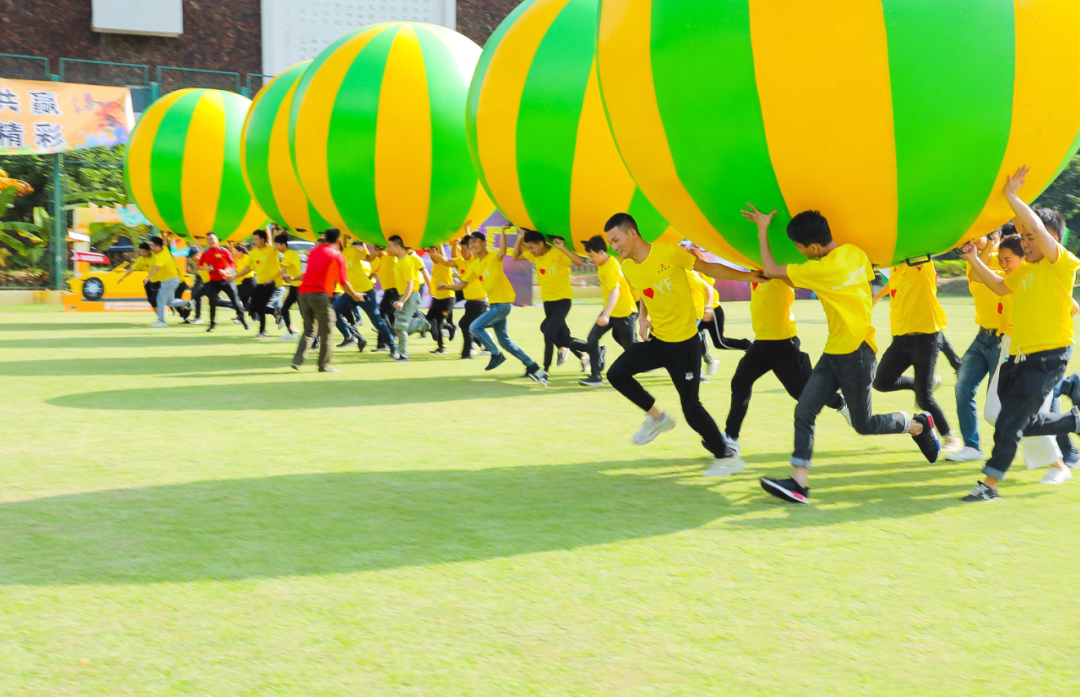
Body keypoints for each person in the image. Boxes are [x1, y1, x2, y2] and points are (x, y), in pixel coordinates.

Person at [747, 204, 940, 504]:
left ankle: (917, 425)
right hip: (834, 350)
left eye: (799, 248)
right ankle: (800, 484)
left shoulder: (820, 270)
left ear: (813, 247)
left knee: (864, 425)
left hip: (858, 353)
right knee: (804, 411)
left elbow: (771, 271)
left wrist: (762, 228)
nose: (798, 252)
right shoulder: (856, 254)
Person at [603, 213, 764, 476]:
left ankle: (726, 457)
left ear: (632, 233)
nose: (614, 246)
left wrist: (750, 277)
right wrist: (643, 319)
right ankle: (658, 418)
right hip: (659, 342)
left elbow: (709, 269)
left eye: (616, 239)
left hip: (685, 345)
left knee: (691, 408)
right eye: (610, 242)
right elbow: (646, 292)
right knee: (616, 374)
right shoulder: (628, 266)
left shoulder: (670, 253)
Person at [958, 166, 1080, 500]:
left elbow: (1038, 226)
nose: (1026, 243)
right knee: (1013, 421)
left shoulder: (1061, 264)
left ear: (1049, 239)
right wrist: (972, 258)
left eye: (1030, 237)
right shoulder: (1024, 271)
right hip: (1017, 357)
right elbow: (997, 286)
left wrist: (1012, 196)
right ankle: (1074, 420)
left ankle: (988, 485)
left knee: (1009, 425)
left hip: (1048, 357)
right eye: (1022, 238)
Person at [979, 233, 1071, 479]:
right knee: (995, 413)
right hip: (1010, 349)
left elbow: (1072, 307)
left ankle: (1058, 466)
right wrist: (972, 255)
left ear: (1025, 258)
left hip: (1036, 351)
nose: (1003, 264)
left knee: (1018, 417)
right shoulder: (1014, 280)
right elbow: (980, 278)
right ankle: (1070, 404)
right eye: (1001, 259)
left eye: (1008, 259)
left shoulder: (1039, 277)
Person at [724, 276, 848, 455]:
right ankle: (730, 438)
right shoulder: (752, 263)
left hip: (782, 342)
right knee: (740, 382)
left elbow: (803, 280)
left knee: (805, 394)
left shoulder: (781, 268)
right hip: (761, 342)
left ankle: (841, 402)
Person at [871, 258, 961, 452]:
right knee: (881, 382)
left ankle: (950, 436)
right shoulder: (895, 267)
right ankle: (921, 384)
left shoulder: (920, 264)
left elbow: (921, 250)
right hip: (901, 339)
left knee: (924, 397)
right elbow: (893, 284)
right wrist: (877, 297)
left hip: (925, 339)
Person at [438, 230, 547, 384]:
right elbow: (463, 284)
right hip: (494, 304)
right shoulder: (475, 265)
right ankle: (531, 364)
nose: (472, 245)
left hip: (503, 305)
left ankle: (496, 354)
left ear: (484, 243)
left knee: (474, 327)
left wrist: (502, 231)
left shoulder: (494, 256)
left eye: (475, 242)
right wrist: (446, 286)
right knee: (505, 342)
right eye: (470, 244)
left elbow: (502, 251)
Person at [948, 229, 1005, 462]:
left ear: (994, 233)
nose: (966, 241)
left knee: (998, 402)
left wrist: (991, 244)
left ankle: (1004, 452)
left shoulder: (1006, 257)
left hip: (1003, 339)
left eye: (975, 235)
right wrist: (980, 248)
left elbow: (981, 277)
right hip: (982, 336)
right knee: (963, 387)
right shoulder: (974, 257)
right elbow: (973, 273)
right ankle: (972, 447)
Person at [513, 230, 590, 374]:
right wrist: (519, 238)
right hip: (548, 302)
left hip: (562, 300)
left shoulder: (557, 252)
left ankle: (545, 371)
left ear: (541, 244)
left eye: (531, 247)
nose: (530, 251)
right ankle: (585, 355)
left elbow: (579, 262)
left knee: (548, 332)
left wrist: (562, 247)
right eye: (528, 248)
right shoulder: (535, 255)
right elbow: (516, 256)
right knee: (561, 336)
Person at [292, 228, 363, 372]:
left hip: (303, 294)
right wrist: (355, 295)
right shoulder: (337, 255)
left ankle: (297, 361)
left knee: (309, 331)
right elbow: (343, 282)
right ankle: (324, 365)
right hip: (320, 295)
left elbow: (309, 272)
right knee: (327, 332)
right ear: (338, 241)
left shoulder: (314, 251)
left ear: (324, 238)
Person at [579, 235, 637, 387]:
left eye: (591, 256)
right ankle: (596, 376)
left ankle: (664, 362)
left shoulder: (612, 266)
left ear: (601, 252)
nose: (590, 259)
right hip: (611, 313)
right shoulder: (601, 264)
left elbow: (615, 291)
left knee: (632, 350)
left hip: (624, 314)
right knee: (592, 338)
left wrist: (605, 314)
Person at [430, 236, 488, 359]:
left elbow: (476, 245)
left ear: (472, 249)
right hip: (470, 302)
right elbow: (446, 261)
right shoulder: (461, 261)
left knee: (465, 324)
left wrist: (469, 234)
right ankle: (484, 346)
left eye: (465, 250)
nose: (462, 252)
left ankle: (467, 353)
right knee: (469, 326)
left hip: (480, 303)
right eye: (461, 250)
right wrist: (435, 254)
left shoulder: (476, 259)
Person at [689, 247, 754, 353]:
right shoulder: (694, 272)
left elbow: (709, 289)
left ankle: (749, 344)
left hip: (711, 311)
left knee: (720, 343)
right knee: (690, 341)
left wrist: (708, 308)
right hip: (699, 313)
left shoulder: (695, 273)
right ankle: (704, 362)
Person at [386, 235, 432, 362]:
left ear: (397, 247)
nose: (388, 249)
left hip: (411, 296)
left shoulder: (406, 262)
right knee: (398, 325)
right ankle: (422, 324)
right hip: (406, 295)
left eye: (390, 247)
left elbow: (410, 284)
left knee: (400, 326)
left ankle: (404, 355)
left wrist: (402, 301)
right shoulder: (399, 260)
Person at [197, 232, 248, 332]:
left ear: (217, 240)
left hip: (225, 279)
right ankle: (212, 323)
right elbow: (199, 265)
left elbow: (232, 263)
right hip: (213, 281)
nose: (210, 241)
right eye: (208, 240)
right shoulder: (206, 253)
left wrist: (226, 270)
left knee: (235, 299)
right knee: (212, 301)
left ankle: (242, 319)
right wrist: (206, 268)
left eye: (212, 239)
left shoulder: (224, 250)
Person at [144, 235, 192, 327]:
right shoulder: (164, 249)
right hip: (170, 280)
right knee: (170, 301)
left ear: (158, 246)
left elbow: (156, 268)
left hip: (169, 281)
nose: (151, 248)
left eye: (152, 246)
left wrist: (147, 277)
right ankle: (188, 303)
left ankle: (162, 322)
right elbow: (165, 244)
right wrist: (165, 236)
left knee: (160, 299)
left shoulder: (160, 257)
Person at [243, 229, 282, 338]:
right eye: (253, 238)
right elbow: (248, 267)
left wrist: (272, 228)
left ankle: (263, 331)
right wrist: (236, 276)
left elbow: (274, 240)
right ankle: (276, 312)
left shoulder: (271, 249)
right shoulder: (253, 252)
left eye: (256, 239)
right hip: (260, 283)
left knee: (260, 307)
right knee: (252, 307)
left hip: (271, 283)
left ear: (262, 239)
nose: (254, 241)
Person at [426, 242, 456, 354]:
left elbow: (442, 256)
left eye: (433, 254)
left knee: (437, 323)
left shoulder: (444, 264)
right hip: (437, 299)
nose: (432, 256)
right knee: (429, 320)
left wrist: (438, 242)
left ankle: (441, 348)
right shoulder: (435, 265)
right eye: (430, 255)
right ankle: (450, 327)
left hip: (447, 299)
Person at [371, 246, 399, 350]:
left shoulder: (390, 256)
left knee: (381, 315)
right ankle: (382, 344)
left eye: (378, 248)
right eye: (375, 248)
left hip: (394, 291)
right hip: (389, 291)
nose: (376, 250)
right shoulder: (378, 260)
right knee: (390, 316)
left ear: (384, 248)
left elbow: (392, 248)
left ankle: (390, 335)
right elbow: (373, 272)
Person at [276, 233, 302, 341]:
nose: (276, 247)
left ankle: (314, 338)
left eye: (277, 245)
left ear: (283, 245)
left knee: (305, 313)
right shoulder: (289, 253)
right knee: (285, 309)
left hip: (301, 286)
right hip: (295, 286)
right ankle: (291, 332)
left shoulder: (289, 254)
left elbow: (281, 268)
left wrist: (270, 277)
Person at [119, 242, 158, 310]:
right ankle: (159, 318)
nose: (142, 254)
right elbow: (132, 269)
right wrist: (123, 277)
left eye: (144, 252)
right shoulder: (140, 260)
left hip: (161, 279)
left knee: (157, 299)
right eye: (141, 252)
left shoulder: (156, 256)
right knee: (151, 301)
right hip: (151, 280)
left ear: (149, 250)